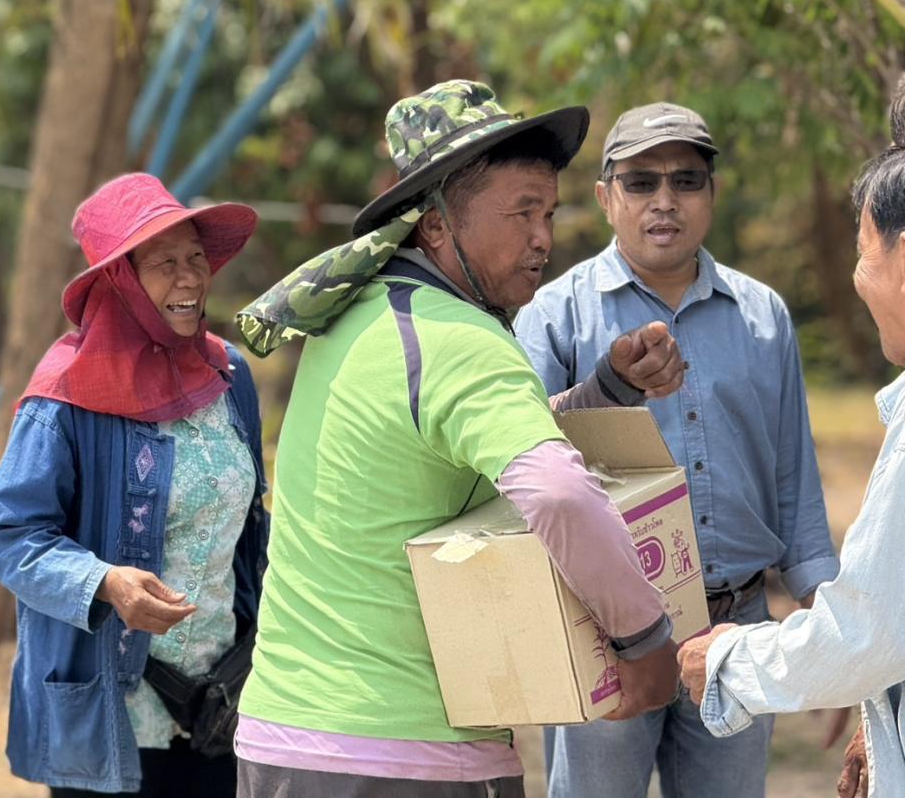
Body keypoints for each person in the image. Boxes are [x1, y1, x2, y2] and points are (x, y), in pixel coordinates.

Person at [232, 80, 685, 798]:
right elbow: (561, 494)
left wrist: (605, 391)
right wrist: (645, 642)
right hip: (409, 754)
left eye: (550, 212)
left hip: (282, 739)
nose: (544, 236)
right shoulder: (462, 342)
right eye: (521, 213)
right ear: (437, 227)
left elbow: (449, 448)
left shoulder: (352, 321)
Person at [514, 102, 840, 798]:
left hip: (740, 629)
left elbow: (793, 481)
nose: (665, 200)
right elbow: (516, 463)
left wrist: (831, 626)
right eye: (641, 182)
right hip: (603, 630)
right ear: (605, 198)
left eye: (687, 180)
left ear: (711, 195)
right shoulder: (554, 315)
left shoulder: (763, 315)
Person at [0, 173, 267, 796]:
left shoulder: (228, 374)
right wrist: (104, 581)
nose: (189, 277)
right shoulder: (66, 396)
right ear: (121, 282)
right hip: (114, 719)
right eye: (163, 264)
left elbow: (252, 528)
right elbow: (7, 534)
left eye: (196, 258)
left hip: (222, 704)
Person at [678, 79, 905, 798]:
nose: (855, 277)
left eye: (865, 252)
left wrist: (730, 660)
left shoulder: (761, 315)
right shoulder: (563, 311)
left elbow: (867, 633)